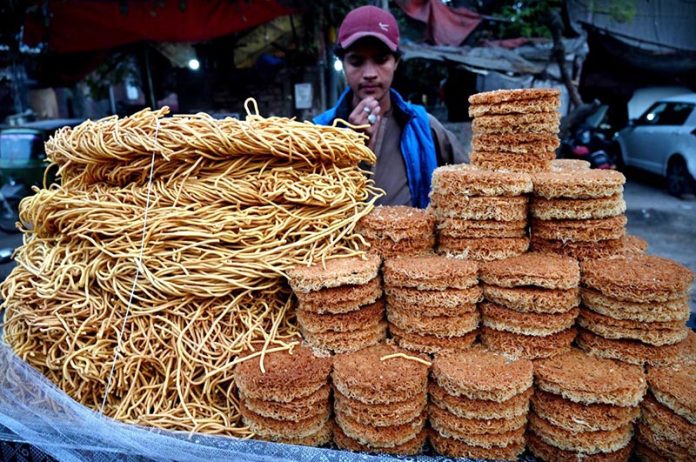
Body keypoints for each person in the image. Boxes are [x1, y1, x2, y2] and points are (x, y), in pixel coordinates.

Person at [314, 5, 465, 208]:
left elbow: (471, 181)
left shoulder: (424, 128)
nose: (369, 73)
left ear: (396, 62)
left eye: (381, 59)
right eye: (356, 61)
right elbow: (308, 210)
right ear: (343, 64)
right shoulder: (318, 133)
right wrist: (350, 151)